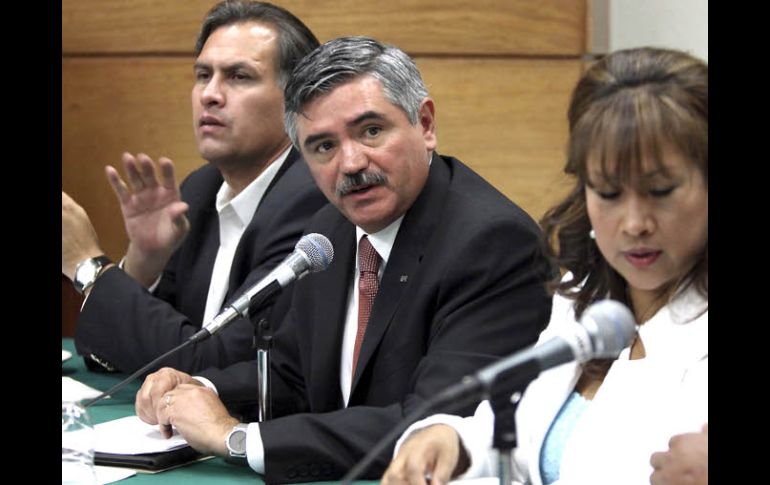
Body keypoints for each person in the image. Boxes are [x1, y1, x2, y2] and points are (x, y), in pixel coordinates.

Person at [133, 36, 554, 483]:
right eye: (323, 147)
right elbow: (296, 375)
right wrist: (200, 389)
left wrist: (234, 437)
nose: (351, 163)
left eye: (371, 131)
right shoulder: (329, 232)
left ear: (425, 124)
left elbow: (434, 423)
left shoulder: (491, 243)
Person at [382, 46, 708, 485]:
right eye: (608, 194)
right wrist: (452, 440)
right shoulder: (583, 295)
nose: (634, 224)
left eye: (661, 190)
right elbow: (518, 439)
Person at [61, 1, 328, 374]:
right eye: (203, 75)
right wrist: (143, 264)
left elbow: (211, 365)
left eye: (239, 77)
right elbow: (121, 354)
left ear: (299, 101)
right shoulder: (200, 191)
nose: (209, 94)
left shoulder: (315, 202)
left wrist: (87, 265)